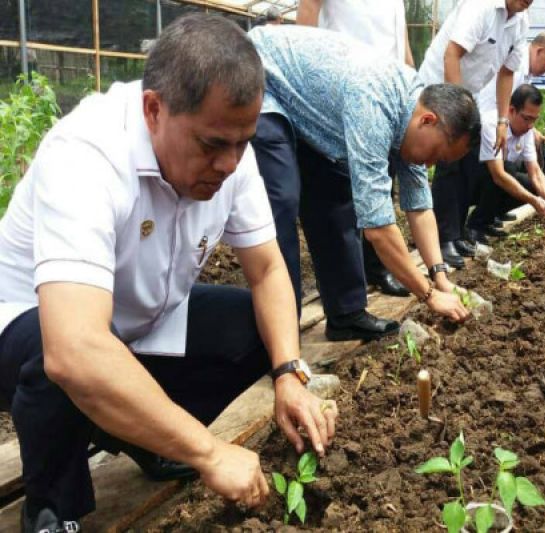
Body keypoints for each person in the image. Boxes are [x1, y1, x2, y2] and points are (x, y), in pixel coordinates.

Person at [0, 14, 336, 532]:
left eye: (243, 142)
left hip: (136, 322)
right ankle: (51, 509)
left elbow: (268, 269)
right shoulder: (87, 154)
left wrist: (289, 373)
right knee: (59, 357)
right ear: (153, 109)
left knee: (260, 330)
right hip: (32, 331)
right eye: (212, 145)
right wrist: (208, 452)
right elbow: (74, 349)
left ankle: (143, 435)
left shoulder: (229, 152)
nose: (229, 164)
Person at [248, 25, 476, 342]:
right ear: (427, 121)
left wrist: (440, 276)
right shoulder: (374, 105)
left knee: (336, 198)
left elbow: (420, 208)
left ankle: (345, 315)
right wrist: (428, 294)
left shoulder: (416, 109)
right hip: (264, 79)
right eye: (436, 154)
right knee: (281, 199)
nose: (431, 165)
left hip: (313, 111)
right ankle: (277, 336)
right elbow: (378, 228)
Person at [295, 0, 414, 297]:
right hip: (343, 89)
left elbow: (401, 41)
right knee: (339, 196)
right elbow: (308, 10)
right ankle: (345, 289)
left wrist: (411, 78)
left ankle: (377, 268)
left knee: (380, 187)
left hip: (385, 97)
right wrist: (307, 77)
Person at [418, 0, 532, 268]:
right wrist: (455, 110)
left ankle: (456, 233)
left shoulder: (520, 22)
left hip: (470, 96)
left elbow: (506, 73)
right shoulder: (480, 7)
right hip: (438, 90)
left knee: (468, 161)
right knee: (448, 163)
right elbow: (451, 54)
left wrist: (503, 120)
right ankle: (443, 238)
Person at [465, 84, 545, 245]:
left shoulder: (527, 131)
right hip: (470, 182)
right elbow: (498, 175)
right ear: (511, 110)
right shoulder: (492, 125)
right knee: (508, 170)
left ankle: (488, 218)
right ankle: (475, 225)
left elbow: (535, 172)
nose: (530, 125)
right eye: (526, 118)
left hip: (495, 179)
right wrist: (533, 201)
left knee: (531, 185)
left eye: (534, 120)